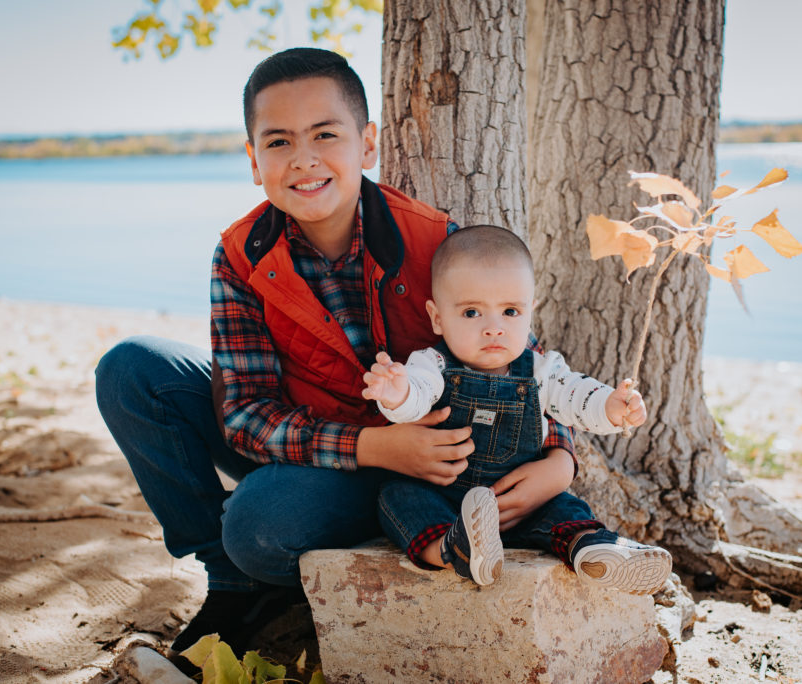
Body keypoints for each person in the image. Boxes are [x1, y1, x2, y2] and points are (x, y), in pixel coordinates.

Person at [94, 47, 579, 660]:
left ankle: (386, 533)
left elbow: (518, 362)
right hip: (322, 456)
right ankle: (232, 584)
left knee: (258, 522)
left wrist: (560, 460)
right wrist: (372, 446)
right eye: (278, 142)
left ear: (367, 145)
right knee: (133, 370)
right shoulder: (240, 256)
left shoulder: (435, 243)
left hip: (437, 465)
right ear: (253, 160)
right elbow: (243, 415)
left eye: (326, 134)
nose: (304, 159)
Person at [362, 224, 672, 592]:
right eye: (472, 313)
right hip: (445, 497)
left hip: (521, 500)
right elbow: (416, 398)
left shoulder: (541, 370)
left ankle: (593, 548)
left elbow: (575, 396)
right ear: (437, 318)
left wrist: (610, 406)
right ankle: (454, 548)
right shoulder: (432, 364)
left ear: (529, 315)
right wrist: (396, 393)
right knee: (398, 498)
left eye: (510, 311)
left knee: (563, 508)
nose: (494, 328)